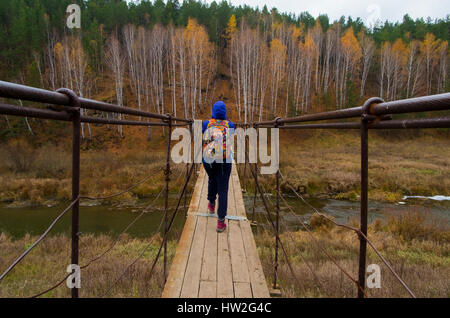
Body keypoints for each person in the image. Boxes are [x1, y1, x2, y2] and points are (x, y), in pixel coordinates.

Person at [202, 101, 235, 233]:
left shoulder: (206, 123)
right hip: (224, 161)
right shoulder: (230, 125)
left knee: (212, 179)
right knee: (223, 189)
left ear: (213, 111)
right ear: (225, 112)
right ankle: (221, 223)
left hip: (209, 160)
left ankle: (211, 204)